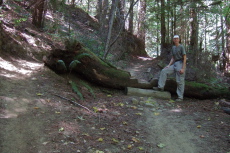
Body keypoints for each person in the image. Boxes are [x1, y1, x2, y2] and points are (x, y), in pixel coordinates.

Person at [153, 35, 187, 101]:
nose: (176, 40)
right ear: (173, 40)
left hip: (180, 63)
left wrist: (183, 68)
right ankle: (160, 87)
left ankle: (180, 97)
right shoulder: (173, 47)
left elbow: (185, 58)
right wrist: (169, 65)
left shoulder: (181, 47)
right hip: (175, 63)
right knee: (164, 71)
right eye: (174, 39)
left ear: (179, 40)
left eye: (177, 39)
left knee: (180, 80)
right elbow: (173, 58)